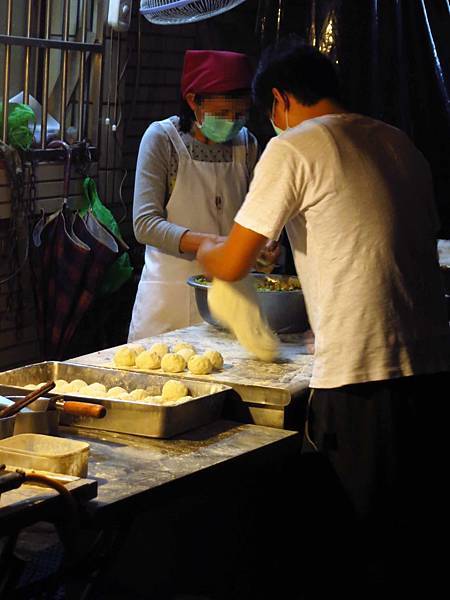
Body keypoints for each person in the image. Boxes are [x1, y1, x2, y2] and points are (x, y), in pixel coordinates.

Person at [197, 38, 450, 597]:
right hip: (432, 372)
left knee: (358, 553)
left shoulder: (293, 147)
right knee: (419, 546)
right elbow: (385, 245)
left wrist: (203, 251)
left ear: (281, 101)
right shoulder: (398, 141)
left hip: (364, 381)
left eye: (270, 116)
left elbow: (235, 260)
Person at [128, 50, 260, 340]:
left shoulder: (246, 145)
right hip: (167, 304)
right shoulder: (162, 139)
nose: (232, 121)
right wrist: (212, 244)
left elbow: (258, 217)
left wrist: (264, 246)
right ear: (193, 101)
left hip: (229, 301)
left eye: (239, 114)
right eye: (222, 114)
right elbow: (145, 224)